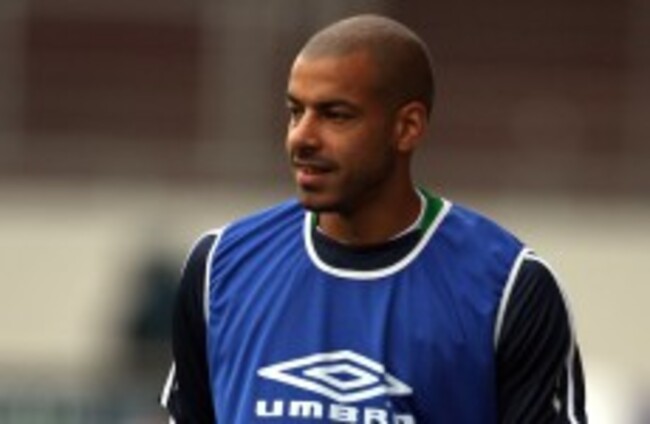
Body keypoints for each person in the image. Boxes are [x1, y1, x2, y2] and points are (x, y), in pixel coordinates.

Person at [160, 14, 587, 423]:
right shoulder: (220, 266)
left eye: (335, 115)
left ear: (407, 127)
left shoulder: (509, 288)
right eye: (295, 111)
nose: (301, 137)